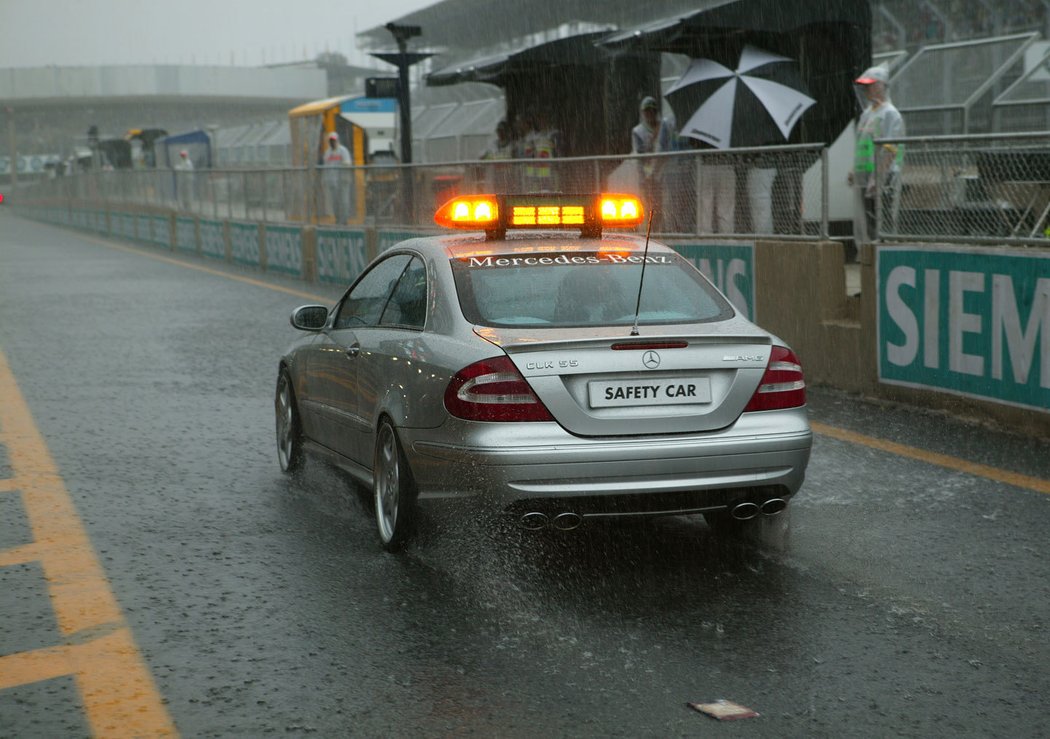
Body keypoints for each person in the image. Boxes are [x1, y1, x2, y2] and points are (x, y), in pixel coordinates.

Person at [849, 64, 905, 244]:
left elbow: (891, 148)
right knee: (869, 221)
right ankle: (871, 258)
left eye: (871, 85)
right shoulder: (867, 114)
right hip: (865, 175)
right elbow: (862, 145)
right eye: (865, 86)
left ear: (881, 86)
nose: (867, 90)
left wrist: (879, 176)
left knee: (883, 219)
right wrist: (855, 170)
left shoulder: (890, 114)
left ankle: (883, 254)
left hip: (884, 176)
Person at [631, 96, 673, 226]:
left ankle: (661, 229)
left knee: (662, 204)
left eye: (652, 110)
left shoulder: (664, 126)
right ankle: (649, 229)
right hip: (646, 176)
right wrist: (647, 175)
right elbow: (641, 154)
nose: (650, 113)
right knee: (648, 205)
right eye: (647, 111)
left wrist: (658, 168)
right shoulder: (638, 131)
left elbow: (666, 149)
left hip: (662, 174)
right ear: (643, 112)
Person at [322, 131, 352, 223]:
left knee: (344, 201)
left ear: (337, 140)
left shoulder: (343, 150)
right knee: (335, 202)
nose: (332, 142)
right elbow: (325, 166)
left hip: (343, 181)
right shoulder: (327, 153)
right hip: (332, 181)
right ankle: (338, 219)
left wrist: (342, 163)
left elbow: (348, 163)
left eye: (334, 140)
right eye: (330, 140)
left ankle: (344, 221)